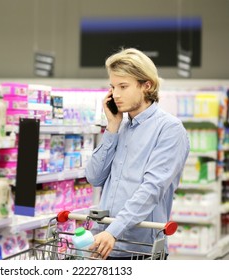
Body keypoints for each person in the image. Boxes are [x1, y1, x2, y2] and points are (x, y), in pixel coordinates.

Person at [85, 48, 190, 260]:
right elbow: (94, 177)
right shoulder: (120, 127)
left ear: (146, 85)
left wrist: (113, 230)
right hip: (104, 244)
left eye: (123, 86)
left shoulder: (169, 129)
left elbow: (152, 189)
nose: (115, 94)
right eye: (113, 87)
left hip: (140, 250)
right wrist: (112, 127)